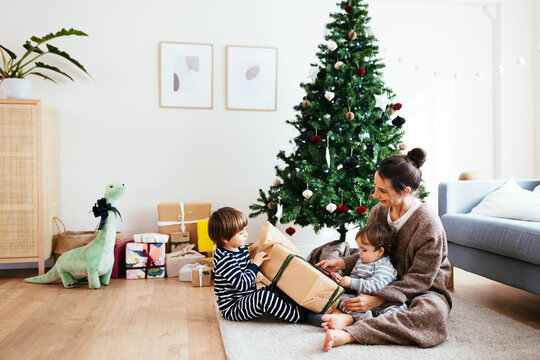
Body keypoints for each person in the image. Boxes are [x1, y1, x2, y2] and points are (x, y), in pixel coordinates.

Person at [317, 148, 452, 351]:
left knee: (432, 317)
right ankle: (353, 316)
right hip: (380, 277)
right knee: (332, 284)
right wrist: (343, 263)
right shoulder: (378, 212)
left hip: (422, 287)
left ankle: (352, 332)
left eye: (382, 191)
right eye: (375, 187)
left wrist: (378, 299)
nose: (375, 194)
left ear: (405, 191)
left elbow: (421, 279)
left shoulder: (428, 224)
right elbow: (372, 251)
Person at [209, 207, 306, 322]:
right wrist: (255, 264)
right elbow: (243, 284)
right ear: (224, 238)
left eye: (245, 230)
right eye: (241, 233)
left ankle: (297, 306)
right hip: (234, 307)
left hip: (248, 297)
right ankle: (300, 317)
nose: (246, 234)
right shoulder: (224, 259)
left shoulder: (240, 248)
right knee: (264, 298)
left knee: (277, 287)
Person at [332, 222, 407, 320]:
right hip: (361, 302)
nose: (359, 253)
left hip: (383, 304)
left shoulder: (385, 267)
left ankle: (378, 322)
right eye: (359, 248)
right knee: (340, 298)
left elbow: (375, 286)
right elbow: (354, 284)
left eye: (364, 250)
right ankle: (362, 318)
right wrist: (342, 281)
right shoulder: (361, 261)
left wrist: (351, 282)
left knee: (400, 309)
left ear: (380, 251)